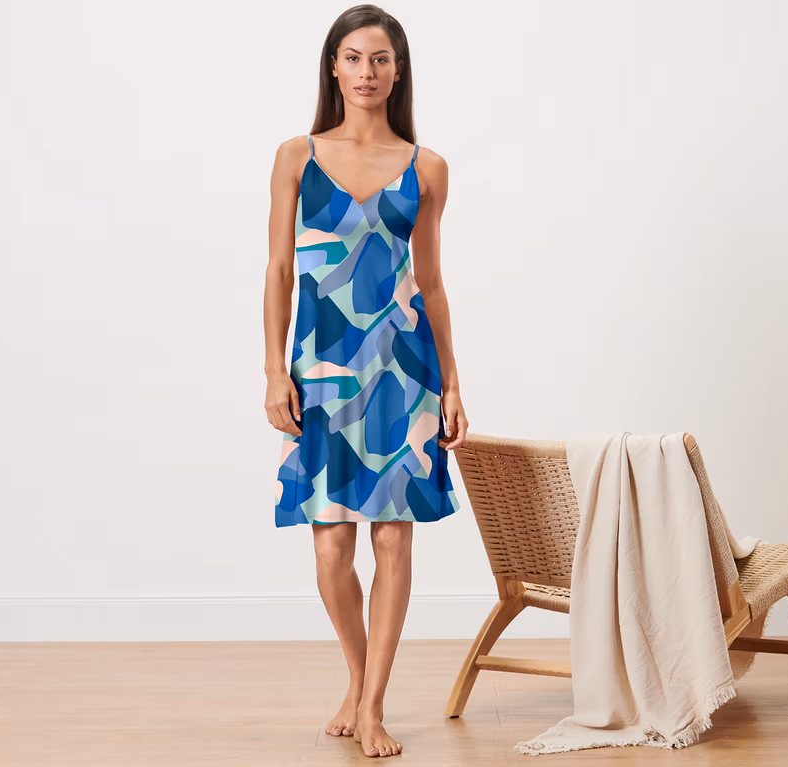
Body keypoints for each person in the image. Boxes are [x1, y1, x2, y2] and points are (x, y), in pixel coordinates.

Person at [262, 4, 468, 758]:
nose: (367, 72)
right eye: (353, 58)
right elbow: (279, 271)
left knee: (392, 541)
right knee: (329, 552)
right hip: (321, 372)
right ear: (334, 67)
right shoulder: (296, 156)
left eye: (380, 59)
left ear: (398, 70)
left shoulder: (426, 168)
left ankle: (374, 704)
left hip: (402, 370)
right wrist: (273, 370)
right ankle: (357, 676)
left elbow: (432, 285)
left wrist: (452, 385)